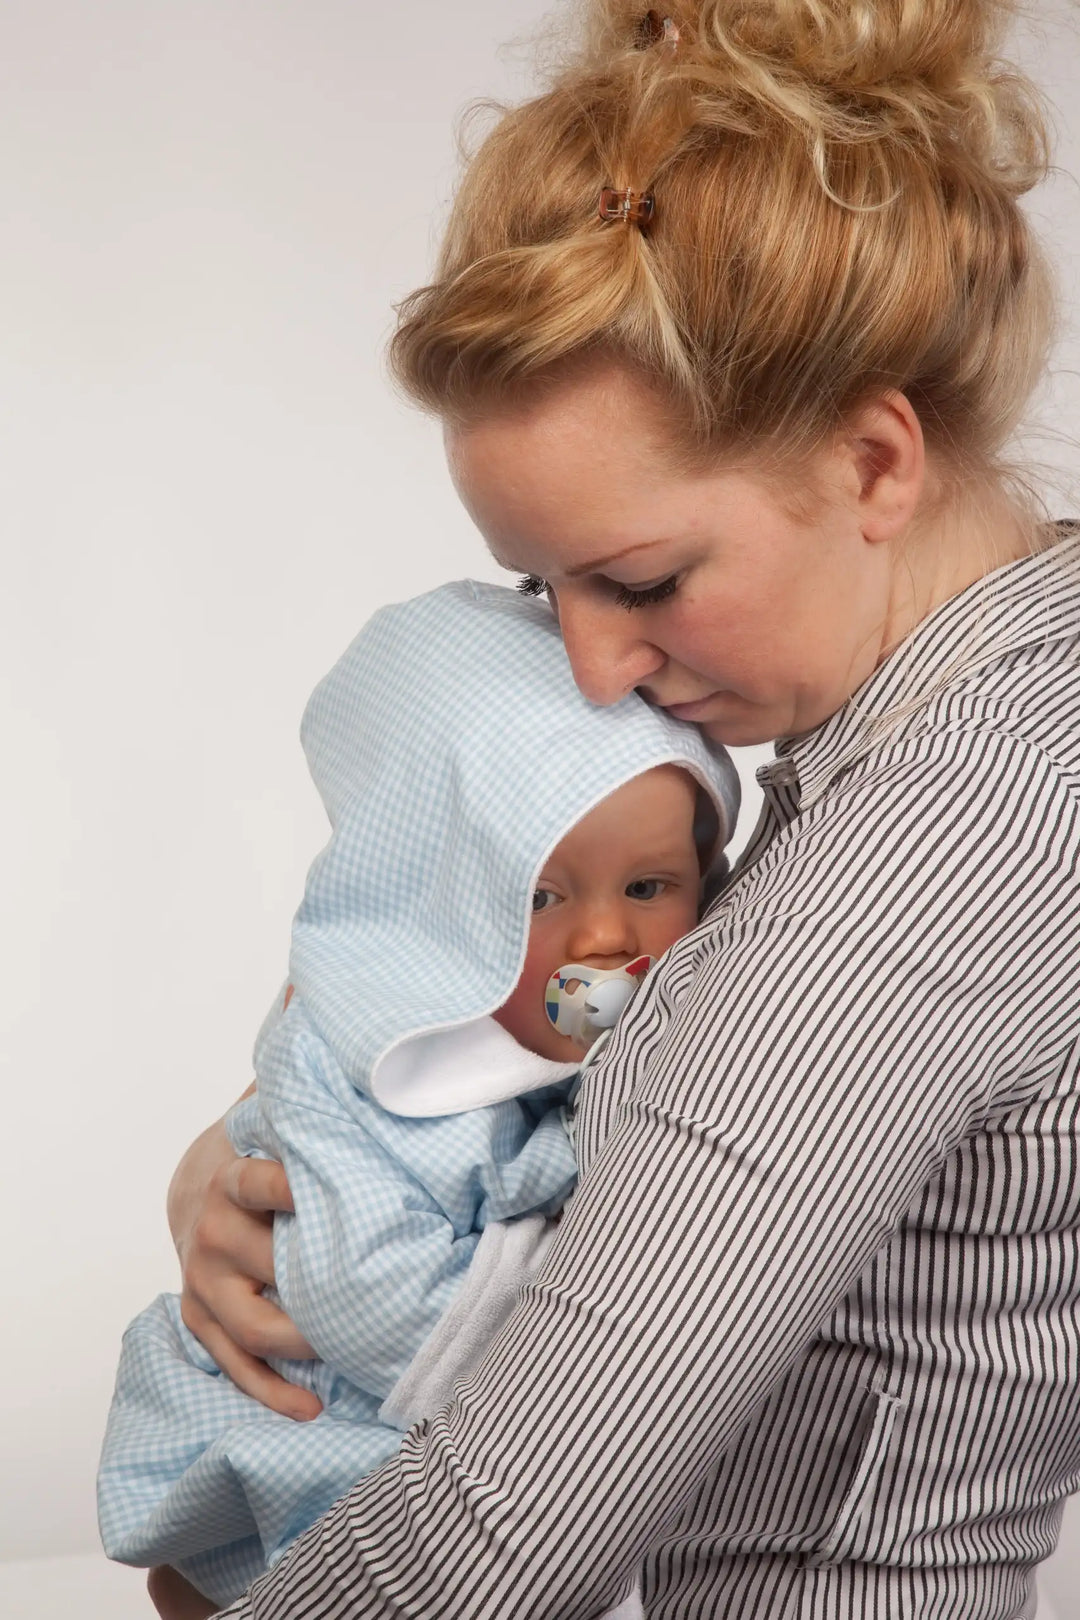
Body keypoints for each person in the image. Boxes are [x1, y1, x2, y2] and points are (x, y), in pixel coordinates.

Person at [163, 1, 1080, 1615]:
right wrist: (288, 1151)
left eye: (644, 578)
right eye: (544, 586)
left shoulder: (928, 859)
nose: (589, 670)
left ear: (877, 462)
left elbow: (494, 1548)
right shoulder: (963, 726)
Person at [96, 580, 739, 1615]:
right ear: (445, 897)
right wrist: (560, 1269)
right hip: (326, 1430)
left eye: (650, 887)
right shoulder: (353, 1060)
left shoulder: (632, 1043)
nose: (604, 941)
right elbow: (365, 1295)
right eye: (542, 895)